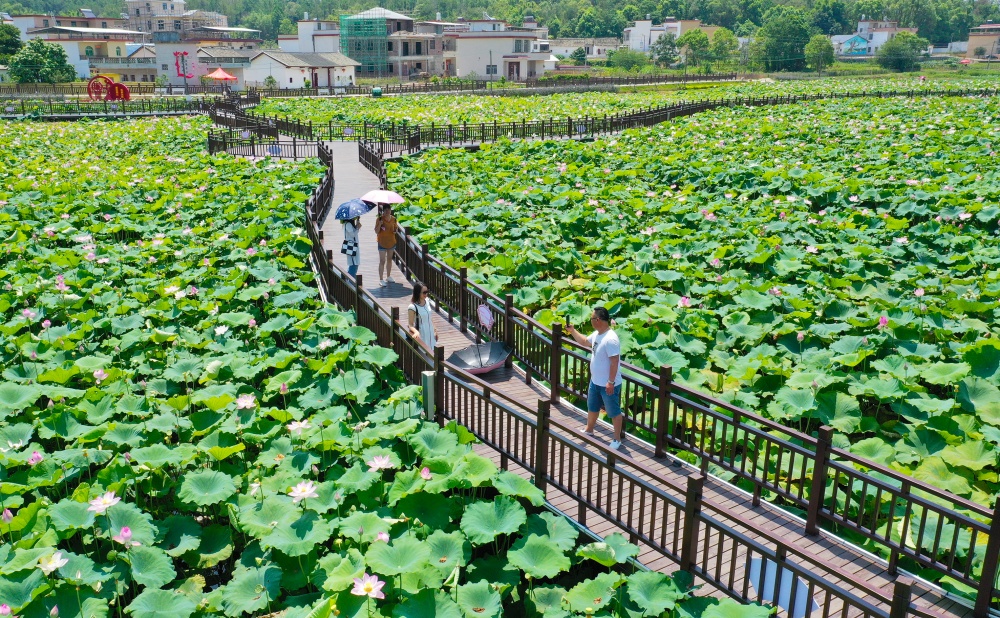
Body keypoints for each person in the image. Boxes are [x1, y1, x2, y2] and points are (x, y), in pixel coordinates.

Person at [566, 307, 624, 450]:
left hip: (608, 384)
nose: (590, 321)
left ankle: (617, 439)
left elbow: (614, 361)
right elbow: (585, 341)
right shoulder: (598, 334)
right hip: (595, 381)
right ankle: (589, 430)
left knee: (613, 412)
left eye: (591, 319)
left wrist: (610, 382)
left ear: (597, 320)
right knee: (592, 407)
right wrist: (572, 331)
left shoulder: (610, 339)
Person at [407, 281, 437, 350]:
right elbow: (410, 324)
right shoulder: (412, 307)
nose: (426, 294)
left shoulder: (427, 301)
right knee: (424, 352)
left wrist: (435, 330)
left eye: (427, 291)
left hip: (431, 331)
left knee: (433, 351)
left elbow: (430, 317)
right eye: (424, 292)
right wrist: (416, 332)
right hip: (422, 333)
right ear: (418, 293)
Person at [375, 205, 399, 287]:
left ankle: (388, 276)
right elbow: (376, 231)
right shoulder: (379, 219)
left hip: (391, 242)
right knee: (382, 260)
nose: (387, 212)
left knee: (389, 259)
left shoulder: (394, 219)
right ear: (383, 211)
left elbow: (396, 230)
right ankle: (381, 279)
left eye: (388, 210)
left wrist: (394, 230)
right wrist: (380, 224)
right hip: (382, 242)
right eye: (385, 210)